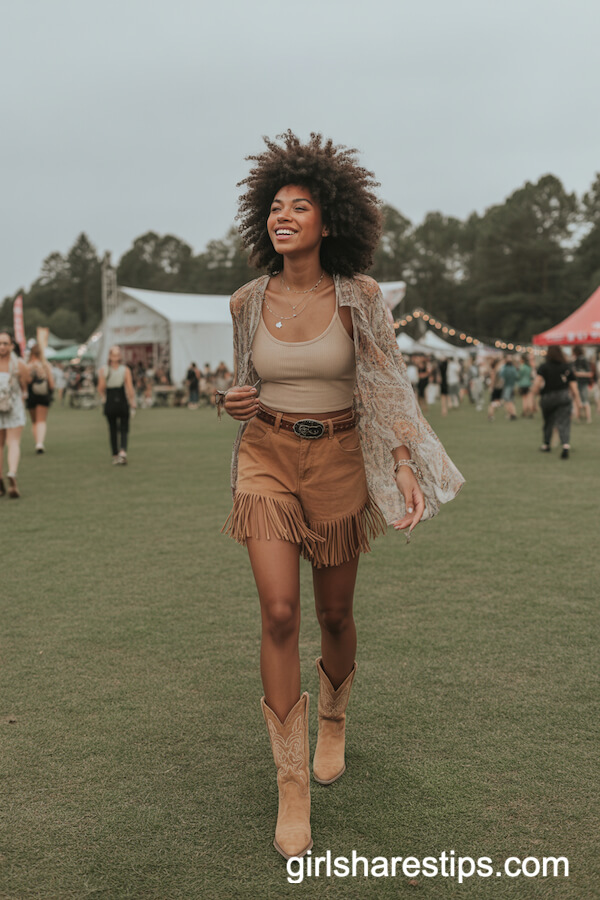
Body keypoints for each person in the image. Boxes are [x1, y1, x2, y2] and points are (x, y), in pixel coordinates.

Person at [217, 132, 464, 860]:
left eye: (300, 206)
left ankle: (333, 719)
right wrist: (232, 402)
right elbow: (243, 383)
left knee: (333, 611)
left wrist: (403, 463)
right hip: (266, 456)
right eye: (275, 207)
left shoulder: (359, 296)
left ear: (331, 222)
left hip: (340, 461)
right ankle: (291, 784)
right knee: (281, 610)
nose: (283, 215)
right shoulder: (245, 300)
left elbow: (386, 381)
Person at [532, 345, 579, 458]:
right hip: (563, 396)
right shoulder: (566, 367)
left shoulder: (544, 367)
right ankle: (565, 445)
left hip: (547, 397)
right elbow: (573, 387)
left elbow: (537, 383)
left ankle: (546, 444)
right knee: (564, 422)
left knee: (548, 422)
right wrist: (578, 402)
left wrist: (533, 397)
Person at [0, 330, 28, 498]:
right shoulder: (18, 364)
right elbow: (26, 385)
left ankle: (1, 477)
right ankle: (12, 471)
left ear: (11, 345)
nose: (2, 346)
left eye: (4, 343)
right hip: (14, 406)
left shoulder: (19, 364)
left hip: (9, 406)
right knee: (13, 442)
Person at [97, 346, 136, 465]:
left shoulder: (117, 370)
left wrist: (132, 400)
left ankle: (119, 453)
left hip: (114, 399)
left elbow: (129, 387)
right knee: (117, 428)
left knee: (119, 428)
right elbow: (101, 387)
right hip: (117, 399)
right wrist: (132, 401)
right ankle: (119, 452)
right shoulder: (109, 370)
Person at [26, 343, 55, 453]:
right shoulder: (45, 365)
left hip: (31, 395)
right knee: (41, 420)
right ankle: (40, 443)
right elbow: (51, 384)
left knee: (34, 421)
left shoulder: (28, 365)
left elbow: (26, 381)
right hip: (43, 394)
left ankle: (37, 441)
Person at [572, 346, 592, 423]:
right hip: (576, 384)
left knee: (585, 401)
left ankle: (588, 418)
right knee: (577, 401)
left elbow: (589, 373)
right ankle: (578, 417)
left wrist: (577, 373)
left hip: (583, 383)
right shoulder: (575, 361)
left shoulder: (584, 360)